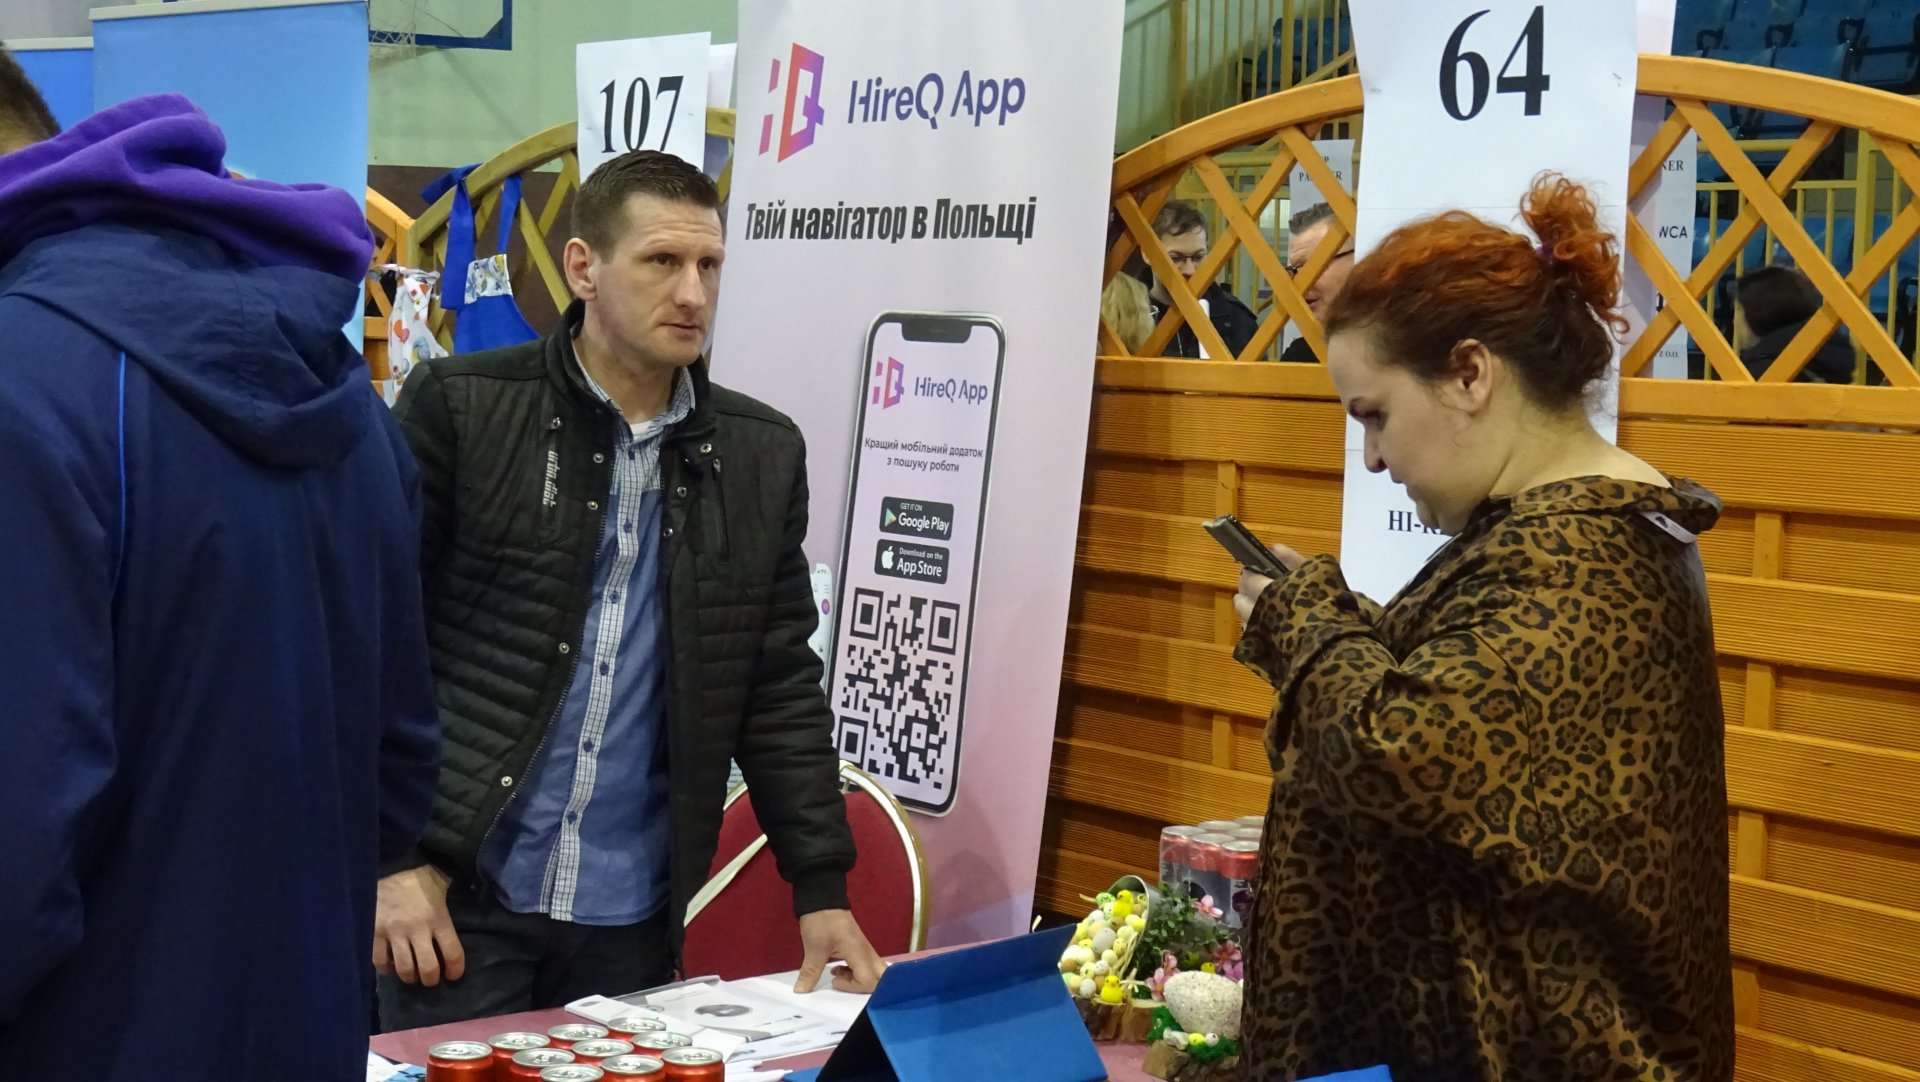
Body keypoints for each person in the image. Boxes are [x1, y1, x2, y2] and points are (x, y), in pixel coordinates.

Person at [1230, 174, 1733, 1080]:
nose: (1373, 458)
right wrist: (1334, 622)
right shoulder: (1553, 539)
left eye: (1376, 416)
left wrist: (1303, 616)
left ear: (1469, 373)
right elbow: (1476, 719)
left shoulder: (1582, 556)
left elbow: (1400, 752)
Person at [0, 64, 440, 1082]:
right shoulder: (344, 389)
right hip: (301, 1027)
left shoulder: (25, 379)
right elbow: (401, 759)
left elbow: (17, 835)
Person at [377, 149, 886, 1029]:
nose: (692, 293)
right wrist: (386, 857)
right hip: (456, 897)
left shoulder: (762, 452)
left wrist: (820, 887)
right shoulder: (461, 409)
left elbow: (775, 685)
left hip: (632, 916)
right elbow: (368, 645)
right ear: (584, 268)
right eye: (662, 261)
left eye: (709, 265)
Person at [1135, 199, 1258, 359]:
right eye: (1175, 258)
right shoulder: (1126, 316)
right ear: (1147, 254)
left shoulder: (1237, 320)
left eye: (1198, 257)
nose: (1190, 270)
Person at [1732, 263, 1855, 383]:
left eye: (1738, 309)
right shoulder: (1830, 356)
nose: (1734, 321)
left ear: (1758, 312)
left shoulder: (1761, 369)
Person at [1279, 201, 1356, 363]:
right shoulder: (1300, 356)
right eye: (1295, 270)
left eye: (1314, 265)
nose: (1302, 281)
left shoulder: (1404, 349)